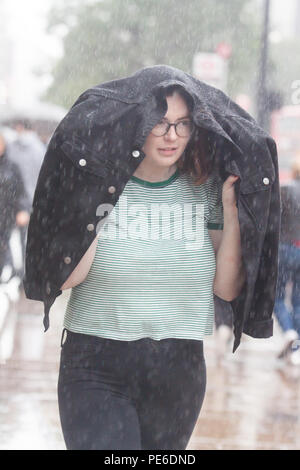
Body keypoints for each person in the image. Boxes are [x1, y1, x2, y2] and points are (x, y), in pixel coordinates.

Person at [57, 84, 246, 450]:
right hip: (95, 365)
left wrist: (232, 211)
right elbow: (68, 278)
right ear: (136, 123)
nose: (171, 135)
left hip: (179, 368)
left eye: (183, 124)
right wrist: (97, 193)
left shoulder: (206, 191)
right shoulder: (102, 184)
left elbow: (226, 288)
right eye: (160, 123)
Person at [6, 120, 46, 280]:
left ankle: (20, 269)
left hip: (15, 199)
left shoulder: (12, 147)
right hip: (35, 198)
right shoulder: (39, 148)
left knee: (14, 236)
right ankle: (31, 271)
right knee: (31, 237)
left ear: (19, 127)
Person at [273, 156, 300, 365]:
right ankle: (297, 344)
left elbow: (273, 219)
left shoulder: (285, 190)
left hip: (284, 248)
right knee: (298, 301)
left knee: (277, 296)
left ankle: (289, 331)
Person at [0, 132, 30, 303]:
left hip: (7, 217)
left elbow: (21, 193)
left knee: (9, 248)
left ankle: (18, 277)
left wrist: (23, 210)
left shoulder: (12, 167)